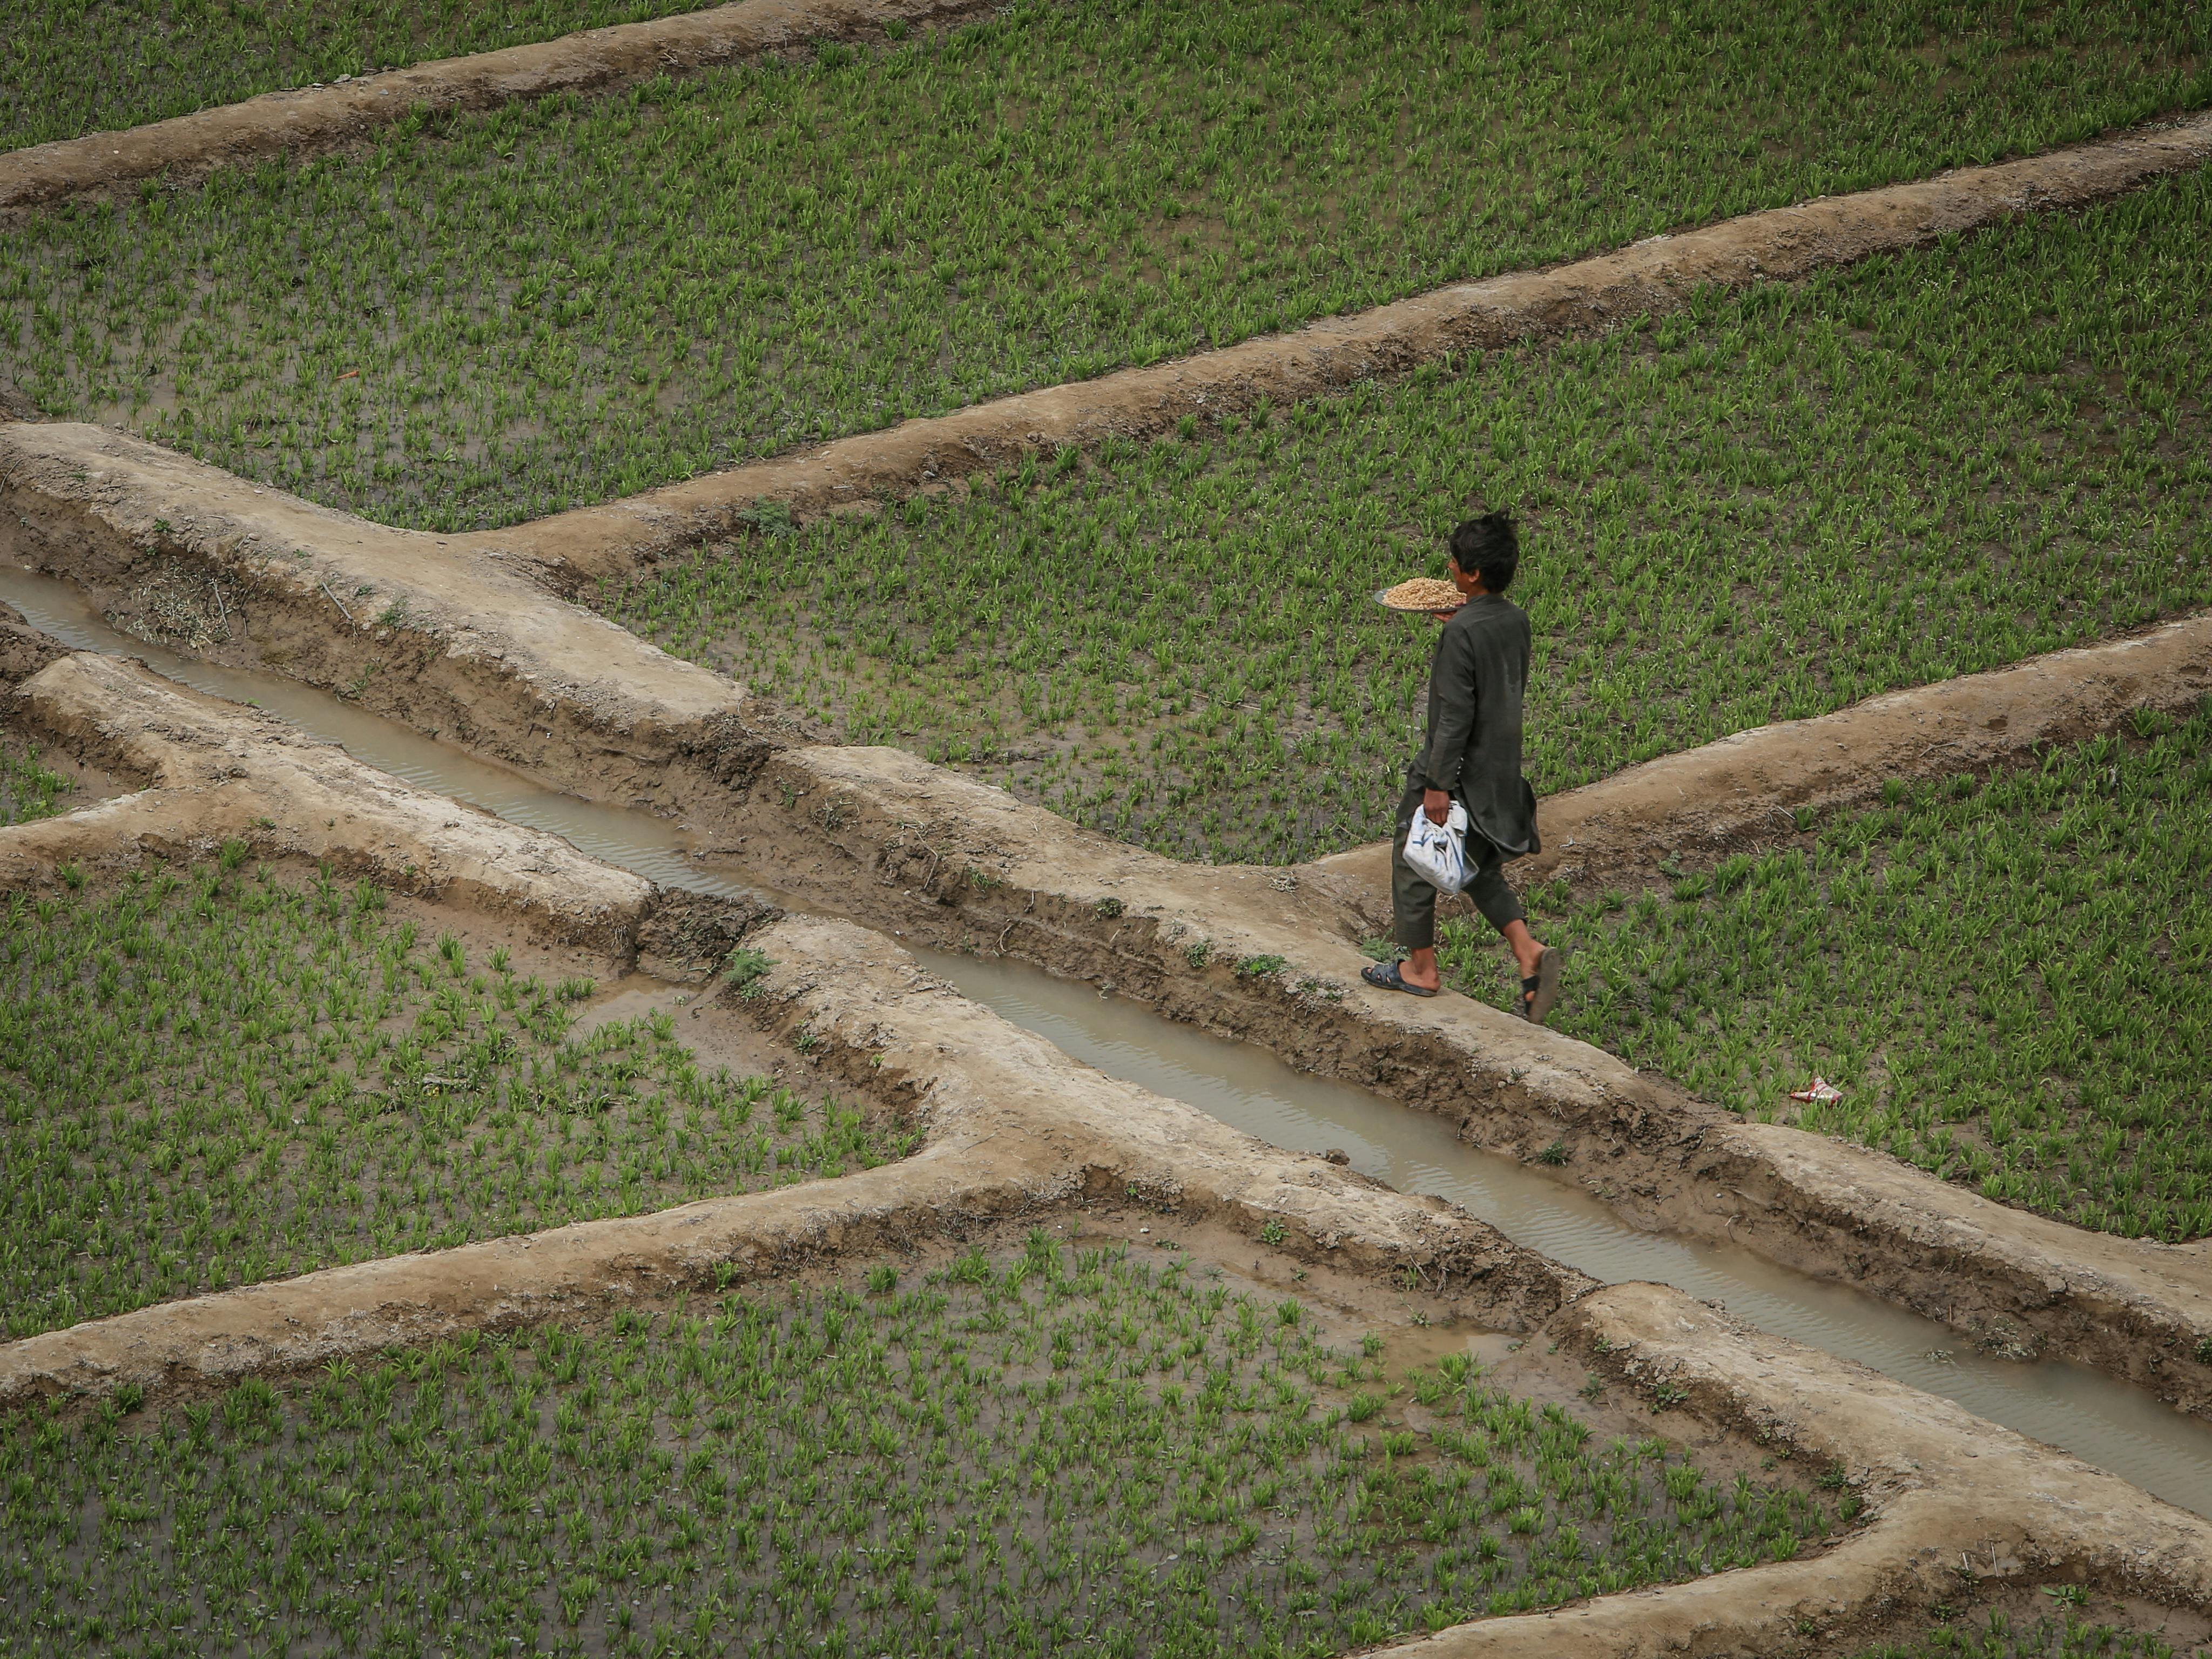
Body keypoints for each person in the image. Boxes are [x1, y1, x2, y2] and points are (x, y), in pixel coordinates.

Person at [1361, 512, 1561, 1023]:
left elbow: (1454, 716)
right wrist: (1464, 623)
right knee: (1474, 863)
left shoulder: (1459, 634)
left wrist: (1437, 786)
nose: (1448, 567)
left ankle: (1420, 970)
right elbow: (1495, 671)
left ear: (1468, 574)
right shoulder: (1514, 619)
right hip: (1500, 766)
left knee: (1414, 851)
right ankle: (1527, 951)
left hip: (1458, 769)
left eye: (1454, 561)